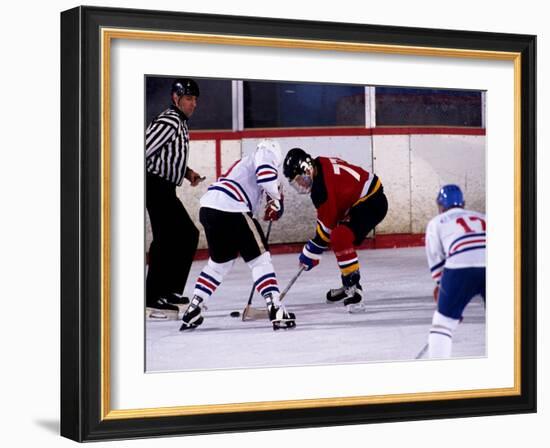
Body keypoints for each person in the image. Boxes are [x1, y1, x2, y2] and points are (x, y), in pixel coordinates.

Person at [180, 139, 296, 331]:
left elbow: (261, 196)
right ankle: (276, 308)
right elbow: (267, 177)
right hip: (232, 208)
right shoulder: (264, 154)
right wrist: (276, 197)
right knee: (260, 260)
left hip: (209, 208)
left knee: (219, 264)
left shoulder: (246, 164)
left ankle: (194, 307)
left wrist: (272, 202)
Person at [282, 148, 388, 312]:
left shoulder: (320, 190)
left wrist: (311, 251)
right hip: (364, 200)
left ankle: (354, 288)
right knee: (340, 234)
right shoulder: (320, 162)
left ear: (308, 168)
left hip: (372, 202)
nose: (301, 185)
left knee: (340, 236)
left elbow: (326, 232)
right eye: (296, 182)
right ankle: (348, 283)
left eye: (300, 179)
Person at [145, 78, 204, 319]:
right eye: (189, 99)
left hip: (165, 187)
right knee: (166, 238)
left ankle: (168, 291)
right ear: (176, 98)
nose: (193, 104)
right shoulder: (169, 120)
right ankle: (151, 297)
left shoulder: (179, 122)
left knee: (186, 235)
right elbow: (144, 149)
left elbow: (168, 155)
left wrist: (187, 172)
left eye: (195, 100)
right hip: (154, 185)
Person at [424, 184, 486, 358]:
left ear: (440, 205)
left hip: (460, 267)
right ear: (463, 203)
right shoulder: (483, 217)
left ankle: (439, 376)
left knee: (443, 324)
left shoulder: (437, 222)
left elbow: (435, 259)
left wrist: (445, 293)